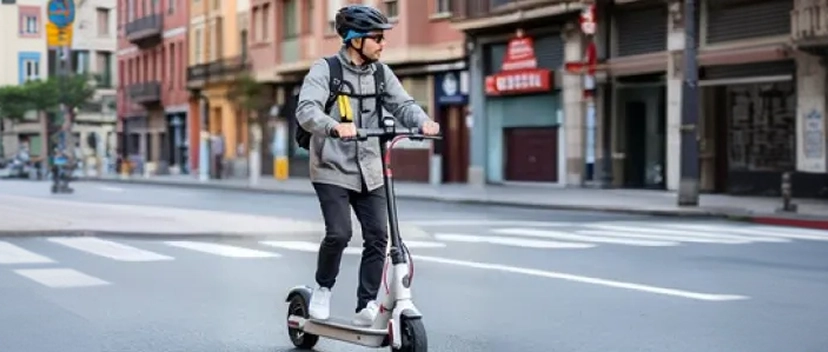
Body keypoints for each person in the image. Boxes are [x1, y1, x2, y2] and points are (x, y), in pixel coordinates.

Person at [294, 4, 440, 327]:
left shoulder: (381, 73)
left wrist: (424, 122)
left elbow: (403, 105)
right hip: (332, 167)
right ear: (355, 40)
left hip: (371, 168)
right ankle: (323, 288)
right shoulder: (326, 70)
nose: (382, 44)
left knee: (378, 236)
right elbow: (306, 110)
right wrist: (333, 126)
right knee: (340, 233)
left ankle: (366, 303)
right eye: (377, 38)